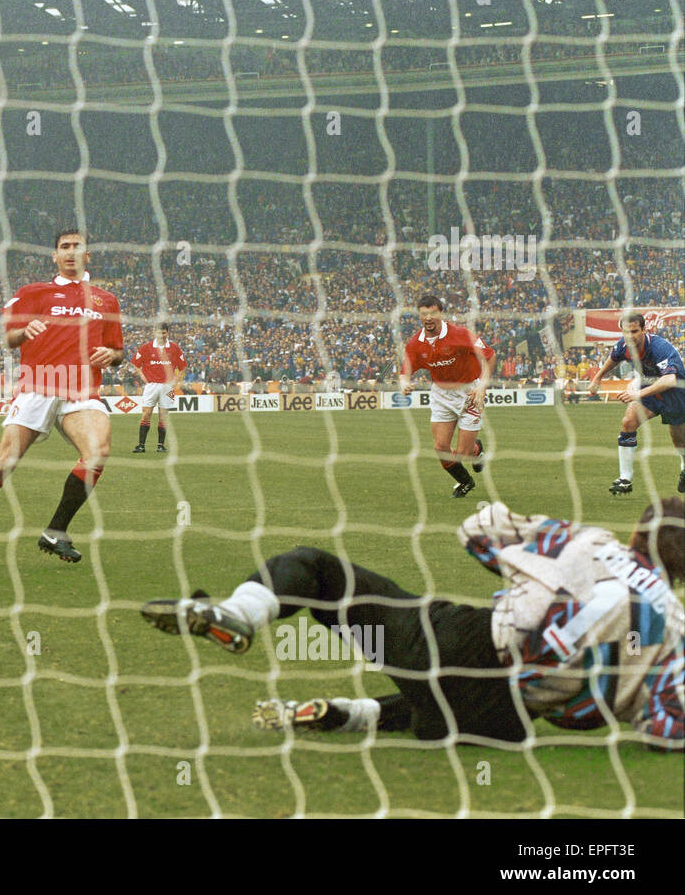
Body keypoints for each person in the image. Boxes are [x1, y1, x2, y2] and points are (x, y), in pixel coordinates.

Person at [140, 500, 683, 750]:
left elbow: (477, 529)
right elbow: (667, 728)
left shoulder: (592, 545)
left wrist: (524, 558)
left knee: (321, 572)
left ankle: (238, 614)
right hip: (504, 725)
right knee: (454, 696)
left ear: (637, 536)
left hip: (460, 646)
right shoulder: (676, 630)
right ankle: (351, 715)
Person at [0, 229, 124, 568]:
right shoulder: (33, 293)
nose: (70, 252)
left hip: (81, 390)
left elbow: (118, 351)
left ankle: (55, 531)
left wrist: (112, 354)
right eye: (64, 247)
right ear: (55, 256)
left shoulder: (105, 301)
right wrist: (24, 331)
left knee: (98, 451)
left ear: (88, 256)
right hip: (39, 386)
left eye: (78, 247)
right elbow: (9, 338)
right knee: (2, 464)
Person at [399, 295, 494, 498]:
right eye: (424, 314)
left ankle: (476, 450)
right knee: (440, 447)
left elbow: (490, 356)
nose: (428, 317)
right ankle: (465, 482)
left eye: (433, 313)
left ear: (441, 313)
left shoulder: (460, 335)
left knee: (463, 454)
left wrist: (482, 387)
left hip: (468, 393)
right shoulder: (416, 343)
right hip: (441, 394)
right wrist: (405, 382)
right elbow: (405, 370)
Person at [586, 312, 685, 496]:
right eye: (626, 332)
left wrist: (636, 393)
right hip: (648, 388)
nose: (630, 336)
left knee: (679, 439)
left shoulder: (660, 347)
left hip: (675, 393)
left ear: (644, 330)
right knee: (628, 422)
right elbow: (613, 358)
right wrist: (597, 378)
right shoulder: (623, 345)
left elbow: (670, 380)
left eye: (634, 331)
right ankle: (625, 479)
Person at [129, 323, 186, 454]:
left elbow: (183, 367)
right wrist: (142, 375)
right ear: (155, 333)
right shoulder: (146, 347)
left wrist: (176, 380)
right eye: (159, 332)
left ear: (168, 333)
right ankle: (141, 445)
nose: (162, 335)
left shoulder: (174, 348)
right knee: (146, 414)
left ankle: (160, 445)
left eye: (164, 332)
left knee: (163, 416)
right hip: (151, 386)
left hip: (167, 387)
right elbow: (135, 364)